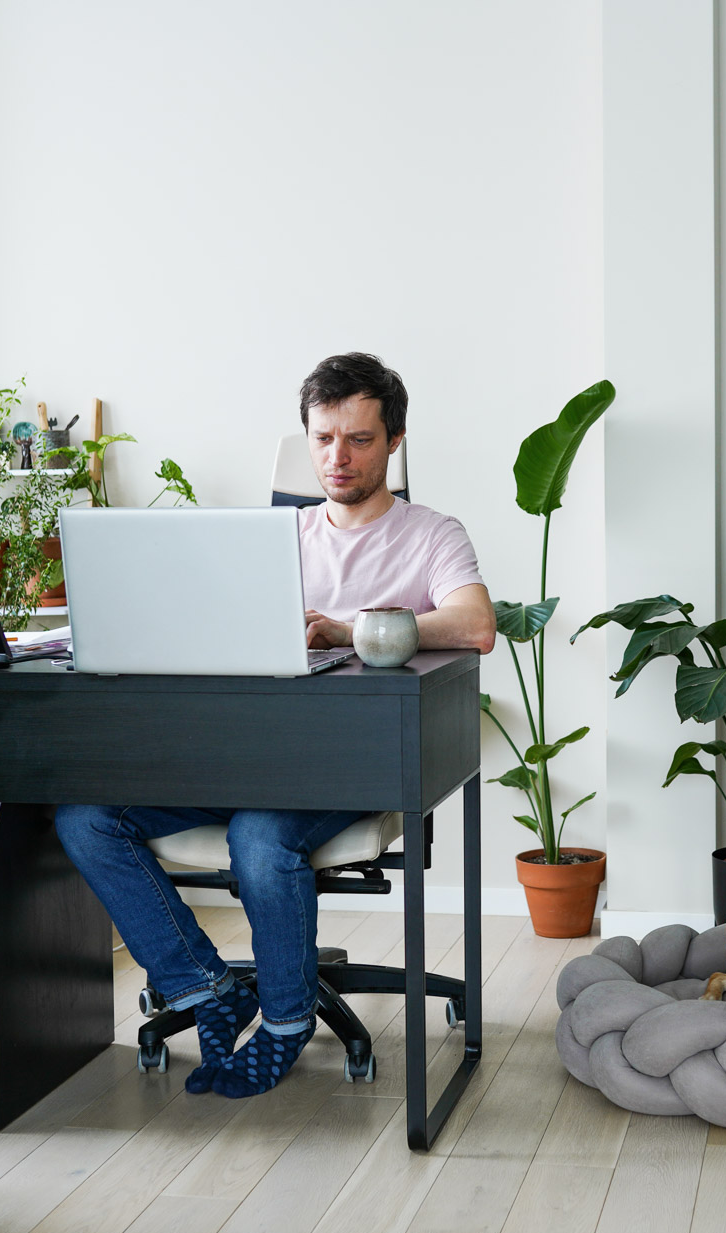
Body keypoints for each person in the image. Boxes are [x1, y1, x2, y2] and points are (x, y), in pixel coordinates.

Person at [55, 353, 496, 1098]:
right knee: (86, 816)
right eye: (323, 438)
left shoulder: (430, 533)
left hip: (347, 767)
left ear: (395, 441)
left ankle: (287, 1022)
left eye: (357, 438)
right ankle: (206, 989)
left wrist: (343, 630)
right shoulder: (274, 534)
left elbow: (475, 623)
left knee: (260, 834)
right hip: (237, 753)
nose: (337, 456)